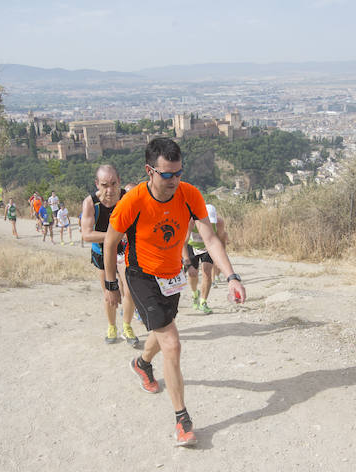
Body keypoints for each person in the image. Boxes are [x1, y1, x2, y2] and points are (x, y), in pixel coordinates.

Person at [104, 138, 247, 446]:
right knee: (172, 342)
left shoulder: (189, 194)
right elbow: (110, 242)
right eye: (166, 174)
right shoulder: (133, 201)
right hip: (140, 275)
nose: (174, 180)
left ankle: (141, 364)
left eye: (178, 173)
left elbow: (210, 240)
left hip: (173, 277)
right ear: (149, 171)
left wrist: (232, 275)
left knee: (162, 330)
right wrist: (111, 284)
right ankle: (183, 420)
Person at [81, 165, 140, 347]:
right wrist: (113, 235)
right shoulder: (91, 203)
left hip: (123, 251)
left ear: (119, 181)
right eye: (105, 185)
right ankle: (111, 326)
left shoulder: (127, 197)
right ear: (97, 184)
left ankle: (127, 326)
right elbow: (86, 234)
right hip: (101, 251)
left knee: (129, 291)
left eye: (113, 184)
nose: (110, 190)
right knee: (109, 292)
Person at [183, 203, 227, 314]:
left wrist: (221, 255)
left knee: (207, 272)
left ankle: (203, 302)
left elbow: (221, 238)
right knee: (192, 274)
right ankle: (195, 293)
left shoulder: (219, 222)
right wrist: (187, 262)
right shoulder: (191, 221)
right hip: (192, 246)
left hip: (208, 247)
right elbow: (183, 243)